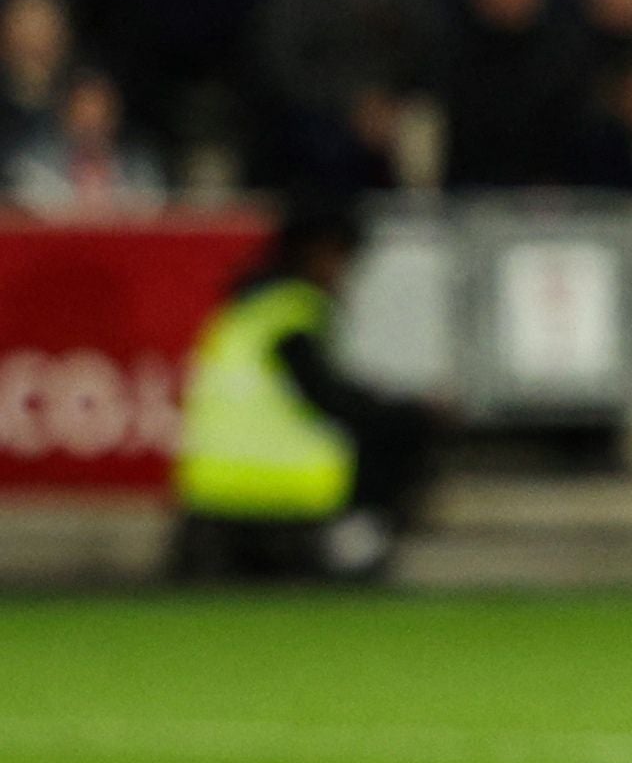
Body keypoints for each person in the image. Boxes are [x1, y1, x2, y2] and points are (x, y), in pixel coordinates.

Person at [168, 201, 435, 581]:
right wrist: (413, 411)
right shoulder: (292, 314)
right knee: (404, 426)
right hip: (279, 508)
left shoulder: (245, 312)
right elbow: (330, 398)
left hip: (210, 502)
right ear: (317, 252)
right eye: (343, 259)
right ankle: (357, 541)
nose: (344, 275)